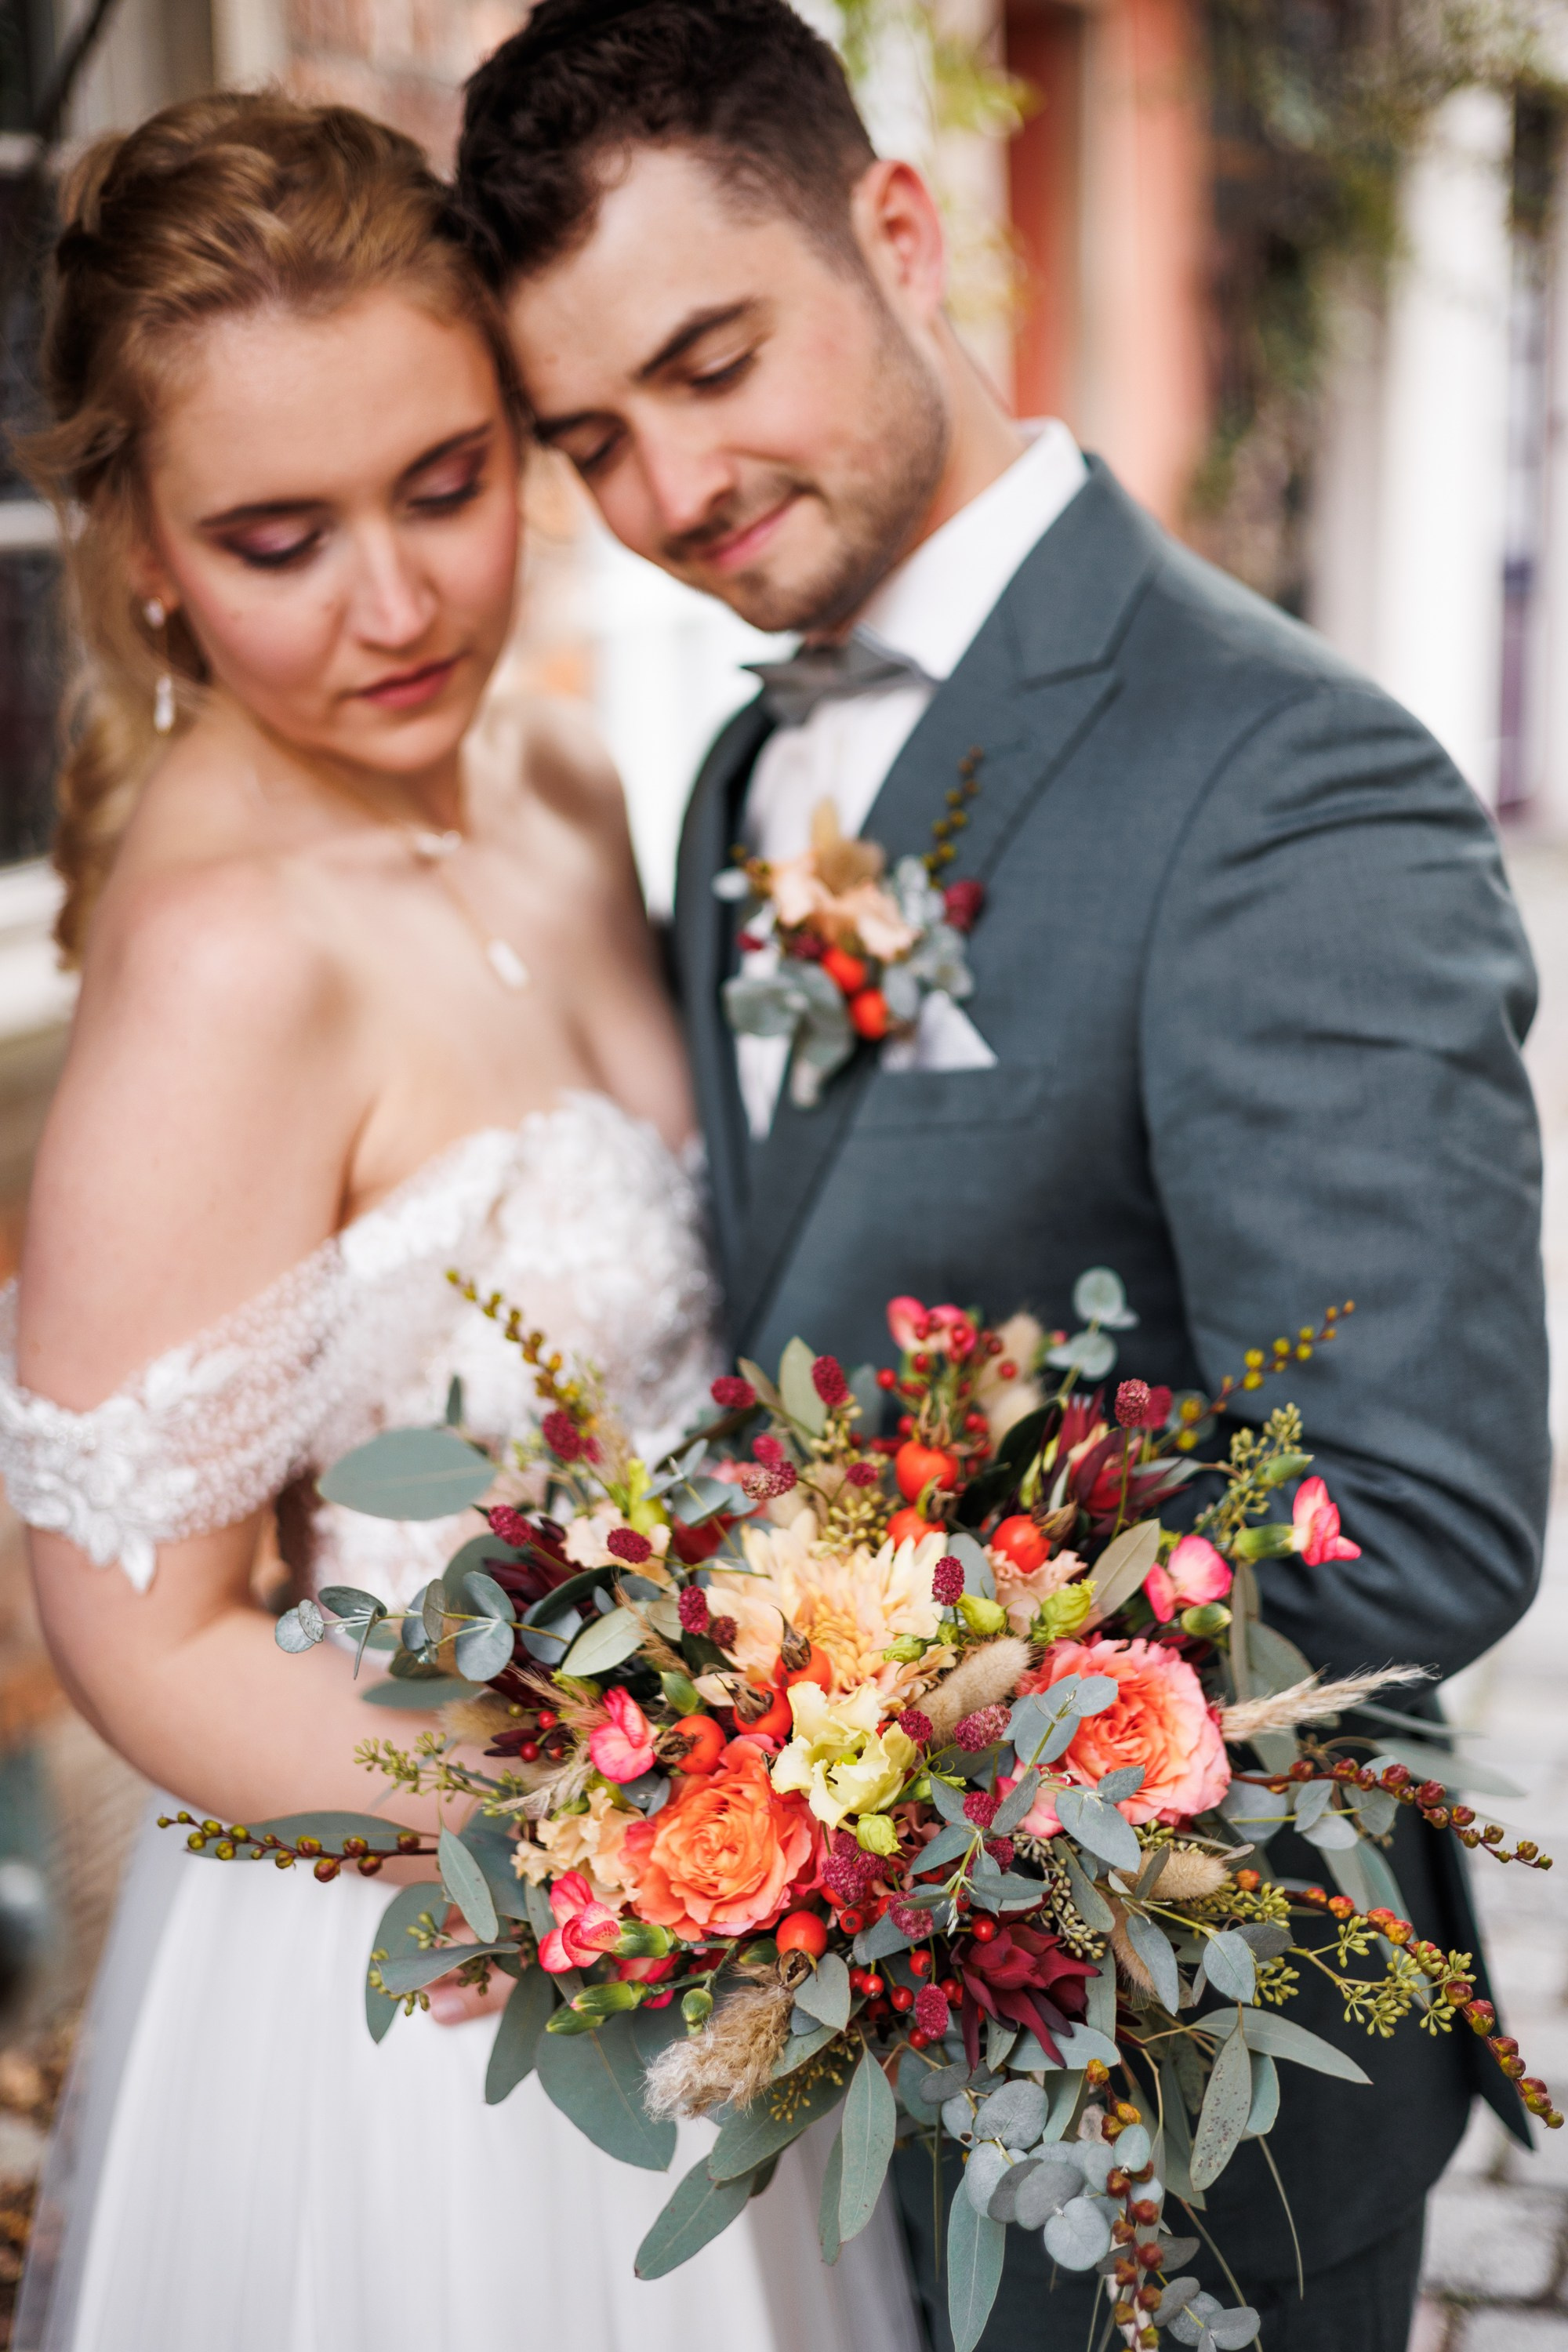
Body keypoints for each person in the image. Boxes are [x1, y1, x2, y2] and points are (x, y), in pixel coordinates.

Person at [453, 3, 1552, 2346]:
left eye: (715, 358)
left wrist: (835, 1736)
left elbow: (1420, 1505)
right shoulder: (743, 768)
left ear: (901, 228)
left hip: (1187, 2061)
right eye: (589, 441)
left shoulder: (1289, 784)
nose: (669, 489)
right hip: (810, 2060)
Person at [1, 90, 920, 2352]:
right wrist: (616, 1808)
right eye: (278, 537)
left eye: (449, 483)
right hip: (438, 1990)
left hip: (723, 1915)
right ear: (140, 549)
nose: (403, 605)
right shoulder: (226, 954)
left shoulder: (554, 768)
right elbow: (146, 1634)